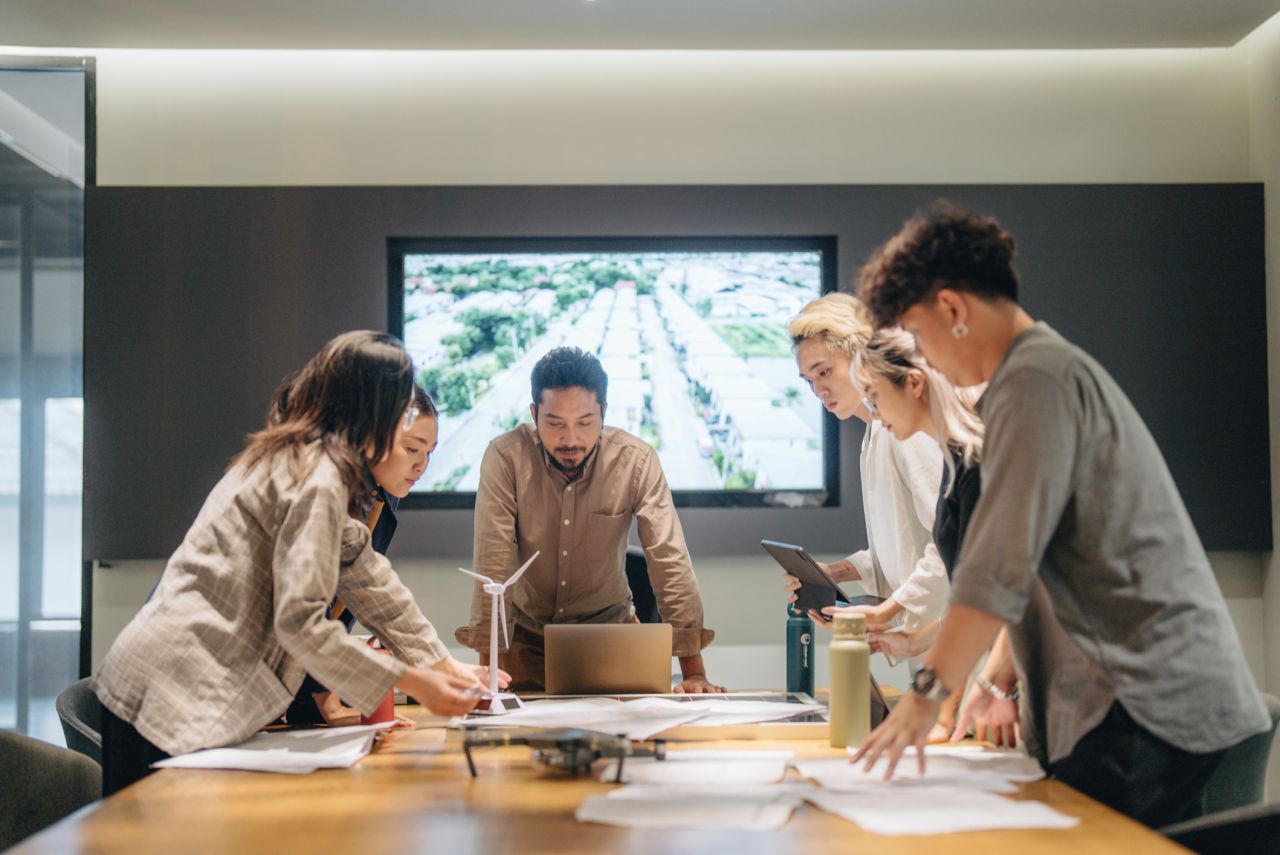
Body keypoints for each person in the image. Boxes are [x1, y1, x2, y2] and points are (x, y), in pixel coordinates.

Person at [852, 202, 1269, 828]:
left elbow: (996, 571)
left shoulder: (1035, 381)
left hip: (1149, 707)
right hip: (1123, 702)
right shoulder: (1031, 377)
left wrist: (926, 699)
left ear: (953, 310)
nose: (926, 358)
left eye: (920, 332)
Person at [93, 331, 491, 796]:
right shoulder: (317, 479)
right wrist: (416, 681)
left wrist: (441, 664)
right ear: (369, 409)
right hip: (172, 692)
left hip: (172, 684)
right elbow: (300, 624)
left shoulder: (305, 458)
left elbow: (368, 575)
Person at [456, 346, 722, 693]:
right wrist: (488, 676)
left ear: (603, 413)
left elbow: (669, 560)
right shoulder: (506, 457)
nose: (570, 439)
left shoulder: (636, 461)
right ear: (534, 414)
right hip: (524, 640)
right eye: (554, 423)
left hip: (612, 636)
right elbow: (494, 564)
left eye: (584, 422)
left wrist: (693, 673)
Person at [784, 293, 949, 647]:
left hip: (959, 641)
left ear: (861, 353)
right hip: (928, 643)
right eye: (808, 380)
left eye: (824, 371)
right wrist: (835, 573)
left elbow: (951, 542)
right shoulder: (875, 434)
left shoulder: (906, 429)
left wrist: (888, 610)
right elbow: (900, 546)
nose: (818, 390)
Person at [279, 384, 450, 727]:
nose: (421, 465)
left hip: (288, 684)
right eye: (412, 449)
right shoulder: (317, 488)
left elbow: (369, 593)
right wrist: (331, 705)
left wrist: (446, 668)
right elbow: (307, 611)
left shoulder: (381, 495)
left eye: (429, 452)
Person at [852, 326, 984, 742]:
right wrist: (917, 641)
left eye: (875, 398)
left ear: (913, 383)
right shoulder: (955, 457)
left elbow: (995, 600)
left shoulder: (979, 459)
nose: (874, 414)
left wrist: (940, 711)